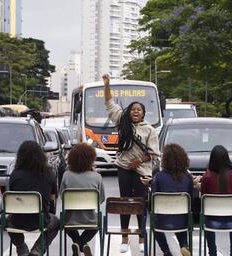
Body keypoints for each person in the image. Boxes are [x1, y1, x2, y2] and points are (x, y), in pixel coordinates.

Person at [102, 74, 160, 253]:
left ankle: (141, 236)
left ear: (144, 113)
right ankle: (124, 238)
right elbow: (110, 102)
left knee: (140, 203)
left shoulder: (150, 130)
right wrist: (107, 85)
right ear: (129, 111)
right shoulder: (122, 121)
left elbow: (154, 155)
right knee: (124, 202)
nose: (135, 112)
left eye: (139, 110)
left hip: (142, 171)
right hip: (124, 169)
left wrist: (139, 161)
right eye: (133, 109)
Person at [8, 141, 59, 256]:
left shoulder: (15, 175)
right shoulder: (49, 173)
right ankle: (38, 250)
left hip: (18, 220)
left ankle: (22, 249)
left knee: (7, 221)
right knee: (56, 222)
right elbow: (52, 197)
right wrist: (50, 212)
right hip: (41, 220)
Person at [198, 145, 232, 256]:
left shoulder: (207, 177)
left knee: (206, 216)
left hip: (211, 222)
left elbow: (203, 198)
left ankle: (212, 253)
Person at [60, 143, 105, 256]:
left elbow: (62, 196)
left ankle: (77, 243)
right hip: (90, 220)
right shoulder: (97, 177)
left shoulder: (66, 175)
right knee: (97, 224)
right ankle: (82, 243)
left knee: (65, 225)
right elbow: (101, 199)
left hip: (70, 219)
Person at [150, 144, 193, 256]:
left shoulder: (159, 177)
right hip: (182, 220)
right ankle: (184, 245)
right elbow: (191, 199)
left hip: (162, 221)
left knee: (154, 223)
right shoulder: (188, 177)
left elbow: (153, 200)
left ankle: (166, 251)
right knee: (181, 217)